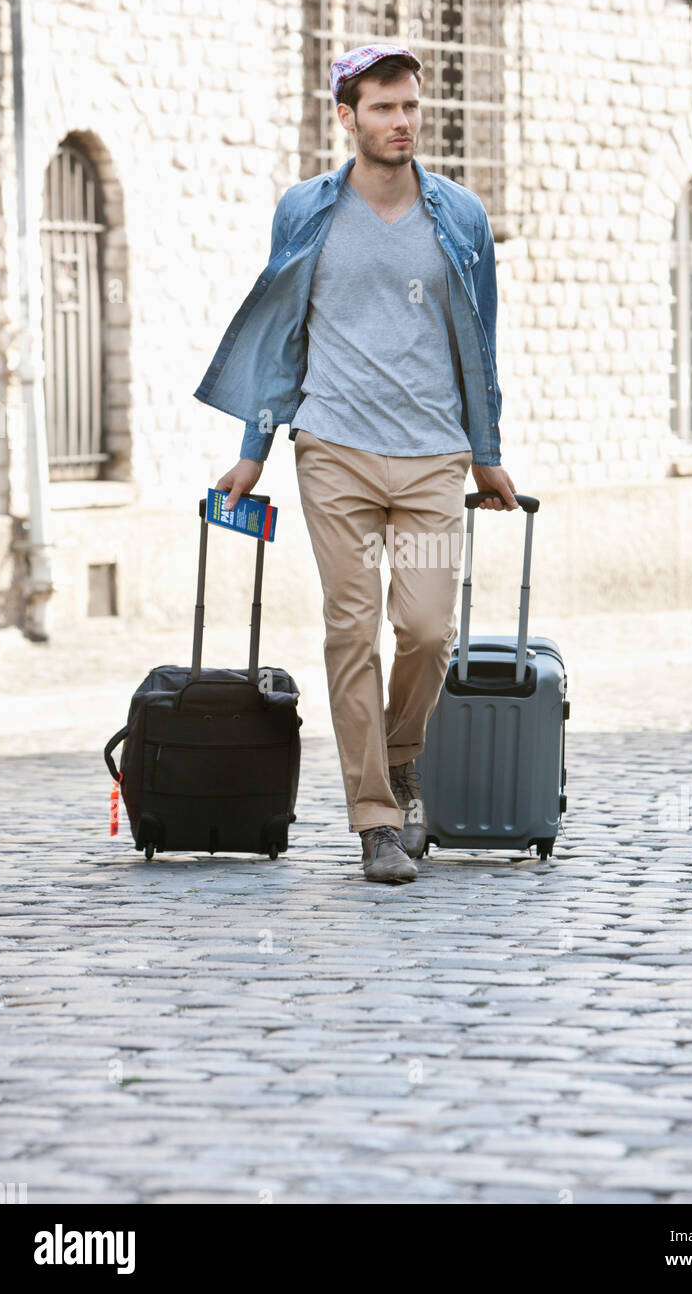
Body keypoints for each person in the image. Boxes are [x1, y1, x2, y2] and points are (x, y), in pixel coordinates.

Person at [195, 43, 517, 885]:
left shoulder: (460, 214)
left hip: (432, 457)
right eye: (383, 107)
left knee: (425, 630)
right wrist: (252, 452)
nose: (402, 121)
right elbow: (281, 336)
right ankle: (375, 819)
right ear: (346, 116)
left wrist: (486, 455)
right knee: (351, 626)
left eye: (410, 106)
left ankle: (401, 755)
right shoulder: (306, 209)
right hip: (332, 447)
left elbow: (481, 341)